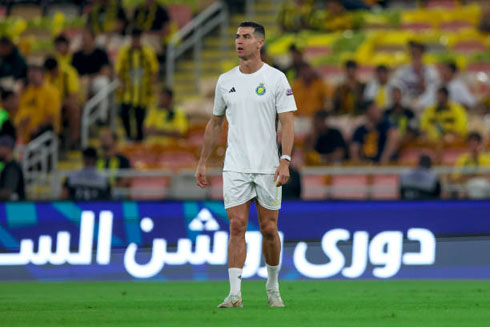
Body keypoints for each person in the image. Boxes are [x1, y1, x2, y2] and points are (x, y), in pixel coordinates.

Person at [194, 22, 296, 308]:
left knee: (269, 229)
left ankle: (272, 286)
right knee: (236, 225)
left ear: (260, 43)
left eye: (246, 37)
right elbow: (215, 123)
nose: (239, 41)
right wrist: (202, 161)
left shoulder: (276, 79)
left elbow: (287, 122)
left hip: (267, 165)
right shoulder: (226, 80)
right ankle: (234, 294)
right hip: (235, 165)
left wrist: (285, 160)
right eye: (237, 36)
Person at [115, 28, 159, 141]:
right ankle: (129, 136)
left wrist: (152, 85)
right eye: (133, 38)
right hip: (128, 91)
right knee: (124, 113)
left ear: (140, 38)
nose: (135, 41)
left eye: (137, 38)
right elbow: (118, 70)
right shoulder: (124, 52)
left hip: (142, 91)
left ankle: (139, 141)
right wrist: (122, 84)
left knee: (140, 117)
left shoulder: (147, 52)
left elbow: (154, 70)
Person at [72, 29, 112, 122]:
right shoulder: (77, 55)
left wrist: (90, 79)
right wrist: (83, 80)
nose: (84, 41)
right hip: (81, 82)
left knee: (102, 83)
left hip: (95, 81)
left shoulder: (101, 53)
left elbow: (106, 72)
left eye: (87, 39)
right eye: (83, 39)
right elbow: (73, 73)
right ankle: (79, 117)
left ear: (93, 39)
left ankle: (102, 116)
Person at [15, 65, 61, 143]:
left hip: (40, 130)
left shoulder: (51, 91)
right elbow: (18, 109)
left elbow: (51, 116)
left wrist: (37, 127)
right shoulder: (26, 91)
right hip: (22, 129)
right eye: (30, 72)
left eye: (35, 72)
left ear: (42, 75)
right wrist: (19, 92)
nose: (31, 75)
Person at [44, 57, 81, 148]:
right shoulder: (46, 76)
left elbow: (73, 97)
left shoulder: (68, 73)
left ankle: (74, 140)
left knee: (73, 108)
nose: (51, 75)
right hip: (53, 105)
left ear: (57, 68)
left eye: (53, 72)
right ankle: (55, 140)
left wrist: (59, 104)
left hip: (67, 104)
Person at [393, 41, 439, 112]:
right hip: (407, 107)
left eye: (416, 53)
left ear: (422, 54)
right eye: (412, 53)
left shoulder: (431, 72)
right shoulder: (402, 71)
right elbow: (397, 90)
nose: (414, 56)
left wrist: (421, 75)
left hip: (425, 107)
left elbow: (432, 93)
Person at [0, 135, 25, 201]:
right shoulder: (8, 167)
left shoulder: (13, 168)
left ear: (7, 148)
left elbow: (8, 192)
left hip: (16, 209)